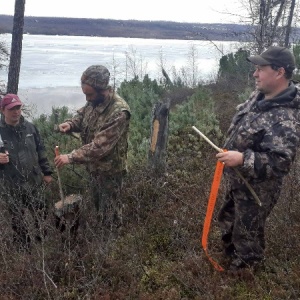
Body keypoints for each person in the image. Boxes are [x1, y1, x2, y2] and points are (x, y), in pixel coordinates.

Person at [216, 46, 300, 272]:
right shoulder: (261, 95)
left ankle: (245, 277)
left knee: (247, 237)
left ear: (279, 72)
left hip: (257, 190)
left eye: (260, 69)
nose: (255, 74)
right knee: (229, 223)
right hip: (239, 181)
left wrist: (242, 158)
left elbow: (279, 163)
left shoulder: (286, 120)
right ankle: (229, 261)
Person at [54, 65, 131, 228]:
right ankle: (102, 239)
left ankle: (113, 247)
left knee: (111, 214)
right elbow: (82, 115)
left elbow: (99, 147)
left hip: (110, 173)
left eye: (89, 94)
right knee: (99, 209)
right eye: (85, 94)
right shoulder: (94, 101)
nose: (87, 99)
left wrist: (70, 157)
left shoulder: (119, 112)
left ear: (102, 90)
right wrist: (70, 124)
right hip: (94, 169)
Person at [0, 94, 53, 251]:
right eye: (11, 109)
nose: (16, 112)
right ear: (2, 110)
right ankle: (25, 253)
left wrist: (47, 173)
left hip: (34, 181)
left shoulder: (31, 128)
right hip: (11, 185)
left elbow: (41, 150)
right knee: (18, 220)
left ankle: (43, 246)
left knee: (41, 215)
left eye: (18, 108)